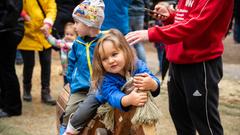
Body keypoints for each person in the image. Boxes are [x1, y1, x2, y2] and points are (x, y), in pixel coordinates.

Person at [126, 0, 233, 135]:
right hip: (177, 61)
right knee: (180, 119)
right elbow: (186, 18)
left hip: (200, 63)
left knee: (205, 123)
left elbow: (197, 23)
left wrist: (152, 33)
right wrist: (170, 17)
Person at [63, 29, 160, 134]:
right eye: (104, 59)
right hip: (102, 94)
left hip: (128, 96)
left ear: (126, 50)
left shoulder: (136, 65)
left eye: (114, 54)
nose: (110, 61)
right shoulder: (105, 78)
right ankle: (70, 129)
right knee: (87, 107)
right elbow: (113, 95)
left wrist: (152, 84)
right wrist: (128, 99)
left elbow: (149, 76)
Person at [60, 0, 105, 130]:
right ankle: (64, 130)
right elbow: (71, 63)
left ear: (89, 24)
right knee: (69, 113)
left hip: (102, 88)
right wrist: (72, 80)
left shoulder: (104, 42)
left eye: (77, 22)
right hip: (81, 88)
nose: (74, 27)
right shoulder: (77, 43)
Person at [17, 0, 57, 105]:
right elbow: (16, 5)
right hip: (27, 33)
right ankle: (26, 88)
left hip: (44, 33)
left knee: (46, 63)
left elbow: (51, 7)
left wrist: (48, 23)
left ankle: (46, 92)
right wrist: (23, 15)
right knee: (29, 64)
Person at [0, 0, 24, 118]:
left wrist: (1, 24)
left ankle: (12, 107)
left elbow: (13, 11)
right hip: (6, 31)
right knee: (3, 70)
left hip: (10, 32)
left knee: (7, 70)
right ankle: (4, 104)